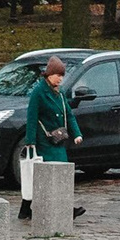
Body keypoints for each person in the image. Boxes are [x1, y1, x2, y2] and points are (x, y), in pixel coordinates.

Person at [19, 55, 84, 223]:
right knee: (43, 176)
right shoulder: (38, 92)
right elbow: (31, 117)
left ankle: (31, 209)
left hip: (58, 140)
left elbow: (69, 115)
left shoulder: (60, 94)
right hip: (43, 141)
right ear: (49, 75)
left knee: (60, 172)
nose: (60, 79)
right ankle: (58, 209)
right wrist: (30, 141)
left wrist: (77, 134)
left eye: (62, 76)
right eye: (58, 75)